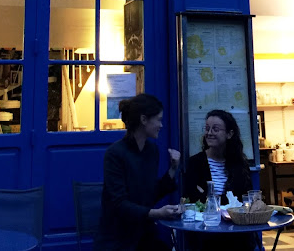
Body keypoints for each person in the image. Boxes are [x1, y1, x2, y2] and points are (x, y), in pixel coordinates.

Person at [94, 94, 181, 251]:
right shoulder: (115, 153)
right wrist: (156, 213)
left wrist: (173, 169)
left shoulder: (152, 150)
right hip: (118, 239)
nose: (161, 125)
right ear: (143, 120)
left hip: (144, 235)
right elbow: (119, 204)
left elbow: (150, 195)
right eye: (159, 120)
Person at [183, 109, 254, 251]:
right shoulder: (195, 162)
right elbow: (191, 199)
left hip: (236, 233)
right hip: (205, 233)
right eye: (207, 128)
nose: (209, 133)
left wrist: (211, 199)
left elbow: (246, 198)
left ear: (229, 134)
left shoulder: (239, 164)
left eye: (215, 129)